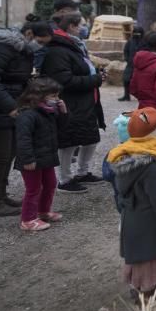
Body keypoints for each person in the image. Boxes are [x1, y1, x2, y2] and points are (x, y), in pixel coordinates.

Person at [106, 107, 156, 302]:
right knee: (152, 277)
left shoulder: (126, 155)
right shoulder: (151, 166)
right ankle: (149, 308)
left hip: (134, 227)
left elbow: (119, 197)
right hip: (151, 230)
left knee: (142, 272)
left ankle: (140, 293)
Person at [0, 25, 38, 216]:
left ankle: (1, 195)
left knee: (8, 155)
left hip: (9, 109)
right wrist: (11, 106)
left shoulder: (12, 49)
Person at [40, 11, 105, 193]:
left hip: (86, 101)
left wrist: (96, 75)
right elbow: (64, 80)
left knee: (90, 138)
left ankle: (83, 172)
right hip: (71, 101)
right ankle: (65, 179)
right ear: (72, 26)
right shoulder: (58, 50)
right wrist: (95, 80)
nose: (85, 28)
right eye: (82, 24)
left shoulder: (75, 46)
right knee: (69, 141)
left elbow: (81, 70)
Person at [12, 77, 67, 230]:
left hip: (45, 157)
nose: (57, 99)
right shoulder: (27, 115)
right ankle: (27, 219)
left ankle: (43, 211)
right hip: (31, 160)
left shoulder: (48, 112)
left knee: (50, 184)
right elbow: (23, 139)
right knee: (33, 188)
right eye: (53, 96)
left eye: (57, 96)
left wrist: (63, 113)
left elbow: (61, 129)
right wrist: (28, 159)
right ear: (38, 96)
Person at [120, 26, 144, 101]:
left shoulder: (144, 42)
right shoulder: (130, 41)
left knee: (141, 82)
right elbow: (126, 50)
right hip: (130, 64)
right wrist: (127, 59)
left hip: (142, 65)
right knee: (126, 79)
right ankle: (126, 95)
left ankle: (141, 96)